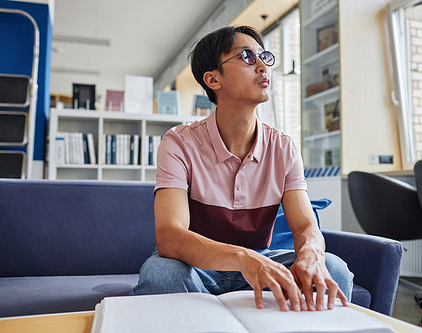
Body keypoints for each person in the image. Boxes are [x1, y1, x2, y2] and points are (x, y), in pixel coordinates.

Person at [131, 25, 353, 312]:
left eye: (265, 57)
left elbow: (306, 226)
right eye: (247, 57)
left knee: (334, 268)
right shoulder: (178, 143)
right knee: (162, 274)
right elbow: (170, 238)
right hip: (195, 267)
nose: (263, 67)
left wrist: (311, 253)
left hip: (262, 259)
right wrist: (244, 258)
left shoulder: (283, 148)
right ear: (213, 79)